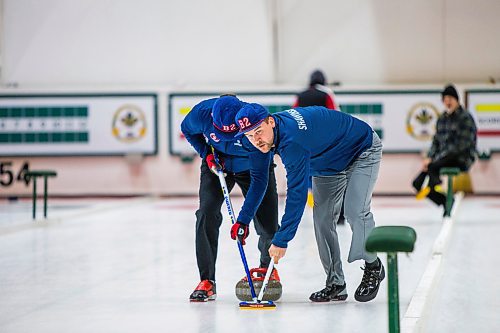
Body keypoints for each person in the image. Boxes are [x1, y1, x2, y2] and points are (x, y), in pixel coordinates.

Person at [232, 103, 385, 303]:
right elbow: (259, 180)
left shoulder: (293, 141)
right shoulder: (260, 140)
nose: (256, 140)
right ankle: (335, 284)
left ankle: (374, 266)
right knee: (322, 219)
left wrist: (281, 239)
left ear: (271, 122)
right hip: (326, 162)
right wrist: (243, 219)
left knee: (355, 212)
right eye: (249, 136)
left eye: (259, 132)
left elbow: (297, 193)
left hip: (360, 150)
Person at [180, 95, 279, 302]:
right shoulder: (201, 113)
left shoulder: (253, 124)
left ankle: (266, 268)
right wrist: (205, 153)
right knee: (206, 214)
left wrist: (243, 219)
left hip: (253, 170)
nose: (225, 138)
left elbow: (260, 181)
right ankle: (207, 280)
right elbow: (187, 129)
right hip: (217, 166)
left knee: (267, 222)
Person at [412, 84, 477, 214]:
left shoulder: (465, 118)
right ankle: (444, 200)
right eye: (445, 100)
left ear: (457, 100)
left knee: (433, 168)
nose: (447, 103)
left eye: (450, 99)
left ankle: (434, 181)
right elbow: (436, 141)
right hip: (440, 160)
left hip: (461, 158)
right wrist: (429, 158)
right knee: (417, 184)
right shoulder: (442, 119)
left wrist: (436, 160)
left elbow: (462, 145)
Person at [293, 69, 344, 225]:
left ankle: (313, 204)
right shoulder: (326, 94)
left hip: (306, 141)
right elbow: (335, 115)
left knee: (308, 172)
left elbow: (293, 115)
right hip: (325, 140)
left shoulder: (301, 96)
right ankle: (337, 214)